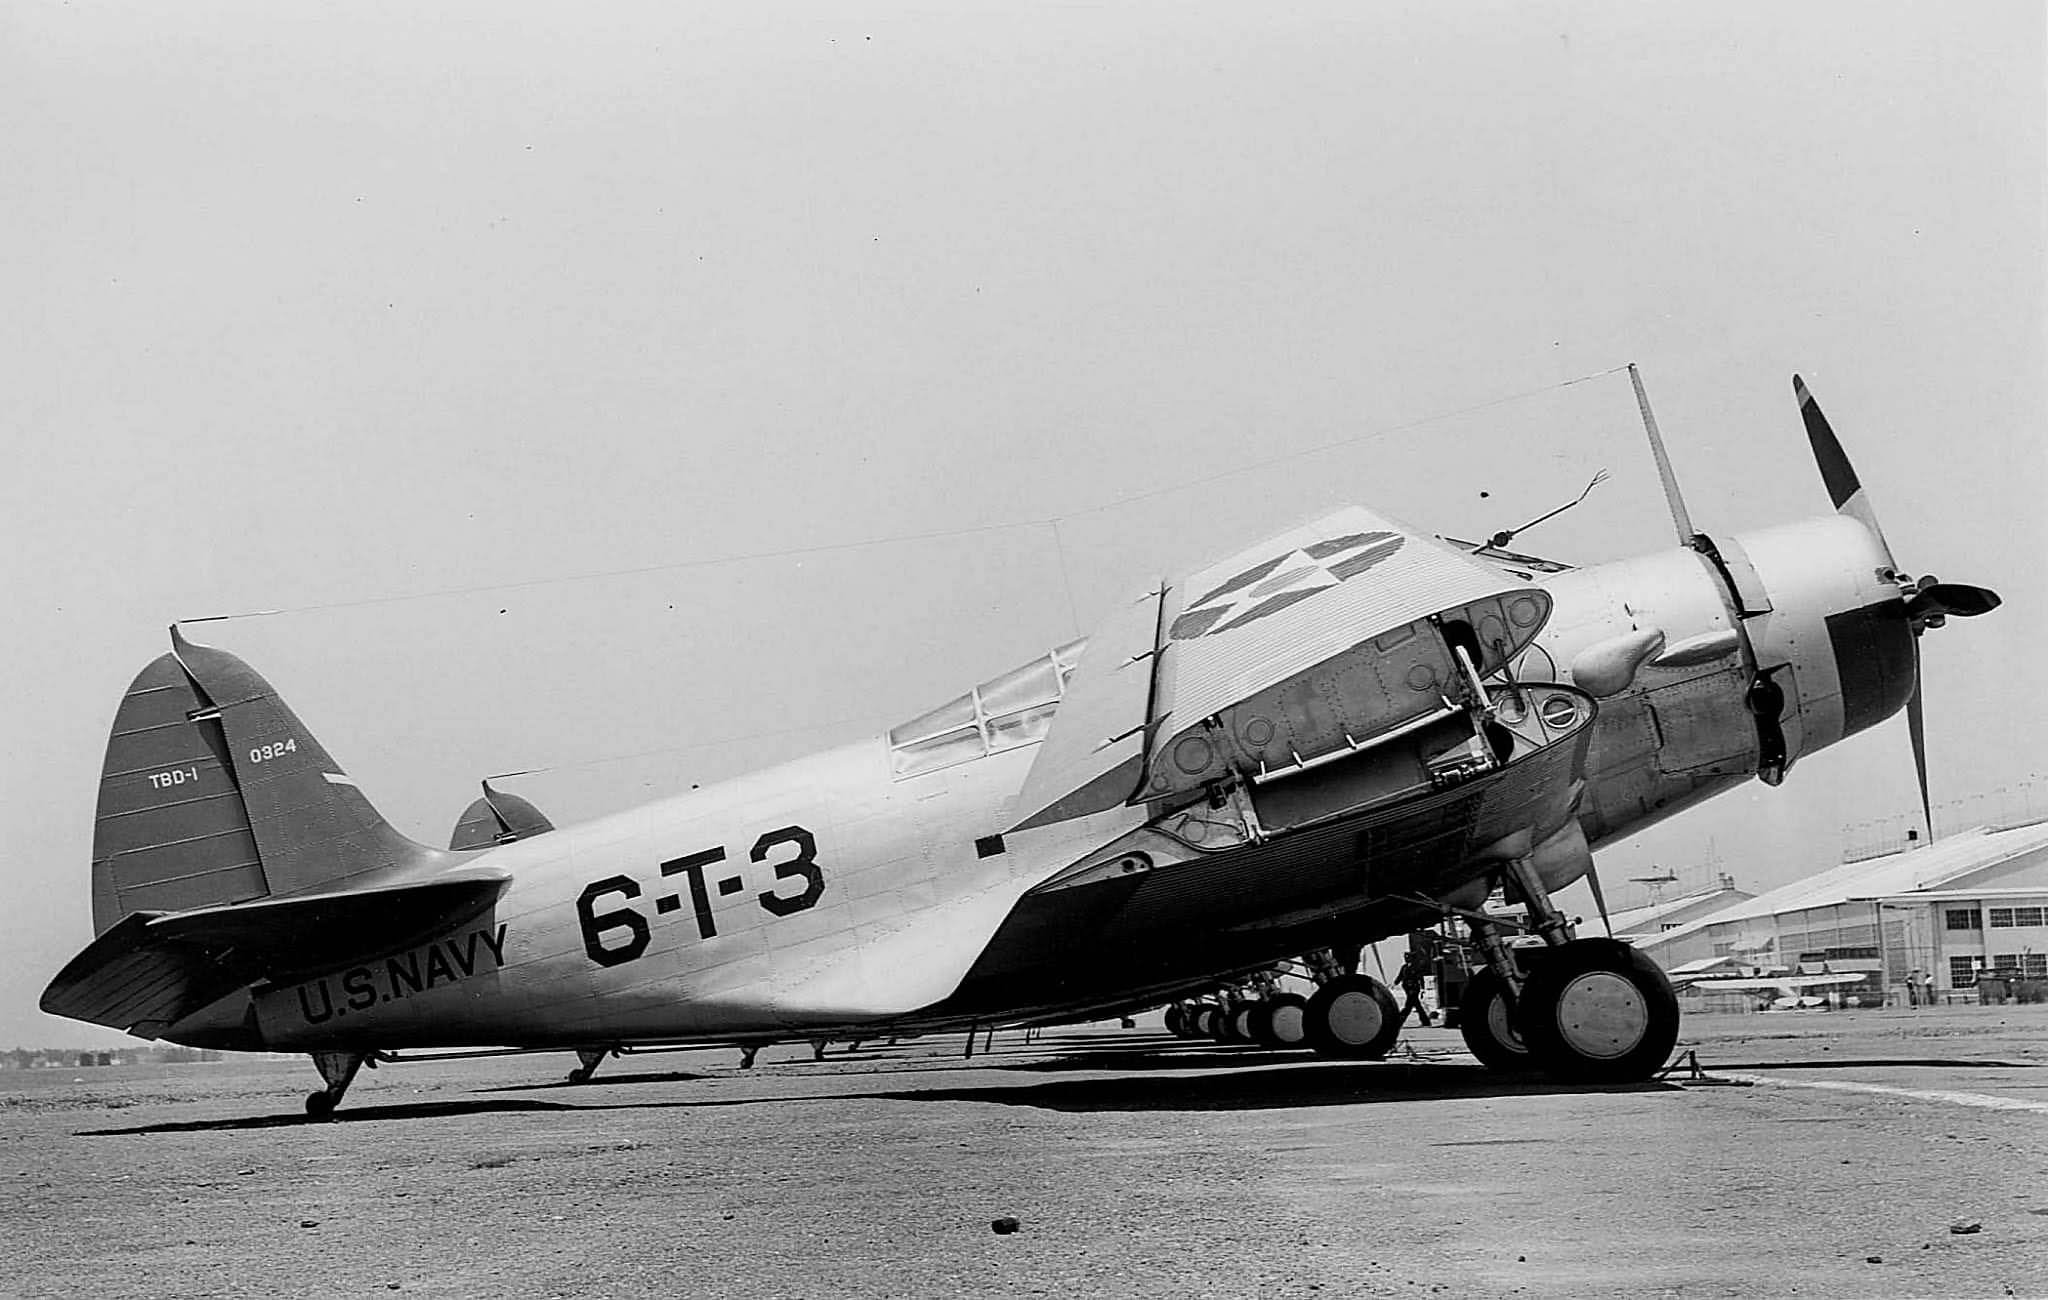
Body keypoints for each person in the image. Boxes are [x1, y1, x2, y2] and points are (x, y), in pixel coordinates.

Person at [1394, 946, 1434, 1026]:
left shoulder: (1416, 967)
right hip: (1407, 988)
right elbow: (1400, 976)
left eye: (1408, 957)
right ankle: (1425, 1021)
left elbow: (1420, 978)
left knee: (1408, 1006)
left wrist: (1423, 988)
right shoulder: (1404, 967)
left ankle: (1399, 1021)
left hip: (1414, 988)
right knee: (1417, 1005)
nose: (1406, 959)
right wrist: (1395, 983)